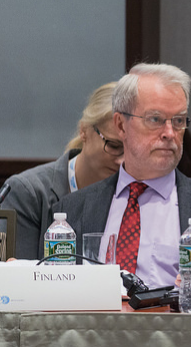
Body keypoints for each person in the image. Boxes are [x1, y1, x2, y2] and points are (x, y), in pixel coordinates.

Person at [53, 63, 191, 291]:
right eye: (155, 119)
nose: (169, 133)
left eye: (178, 121)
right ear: (121, 125)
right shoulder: (72, 212)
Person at [1, 82, 123, 259]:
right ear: (84, 131)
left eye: (131, 149)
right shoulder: (28, 192)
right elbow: (17, 278)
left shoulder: (137, 192)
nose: (123, 160)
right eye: (113, 145)